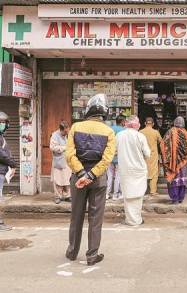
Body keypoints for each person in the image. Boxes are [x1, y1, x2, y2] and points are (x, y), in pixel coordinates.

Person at [65, 93, 116, 266]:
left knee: (76, 216)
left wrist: (81, 175)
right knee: (96, 219)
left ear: (88, 111)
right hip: (98, 179)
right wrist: (91, 176)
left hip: (78, 179)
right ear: (104, 113)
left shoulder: (75, 127)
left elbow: (69, 155)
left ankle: (72, 252)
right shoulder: (109, 131)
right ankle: (92, 255)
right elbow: (107, 159)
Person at [117, 116, 151, 226]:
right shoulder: (140, 136)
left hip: (125, 169)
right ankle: (136, 219)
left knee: (128, 194)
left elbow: (113, 151)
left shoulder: (119, 136)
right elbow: (147, 154)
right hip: (139, 170)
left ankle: (130, 219)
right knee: (138, 195)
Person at [160, 116, 187, 204]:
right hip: (183, 163)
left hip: (171, 162)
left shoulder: (170, 132)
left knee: (174, 178)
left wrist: (168, 157)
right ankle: (181, 197)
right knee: (182, 178)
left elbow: (163, 144)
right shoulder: (186, 134)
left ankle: (174, 198)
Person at [50, 121, 72, 204]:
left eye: (67, 131)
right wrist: (64, 148)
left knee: (67, 179)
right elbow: (52, 147)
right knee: (58, 180)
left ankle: (67, 196)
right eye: (65, 131)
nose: (66, 133)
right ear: (61, 130)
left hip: (67, 161)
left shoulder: (68, 135)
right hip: (58, 160)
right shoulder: (54, 135)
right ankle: (58, 196)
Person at [140, 117, 162, 196]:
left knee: (143, 172)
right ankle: (153, 191)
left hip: (143, 155)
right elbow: (161, 142)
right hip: (153, 155)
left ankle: (143, 190)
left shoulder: (140, 132)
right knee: (154, 173)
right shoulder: (155, 132)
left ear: (145, 123)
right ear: (153, 124)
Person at [106, 115, 125, 200]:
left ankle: (107, 194)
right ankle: (115, 194)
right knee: (118, 176)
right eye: (125, 121)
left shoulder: (110, 129)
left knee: (109, 176)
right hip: (119, 157)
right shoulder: (124, 130)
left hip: (110, 156)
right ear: (122, 122)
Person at [0, 111, 16, 202]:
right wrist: (13, 164)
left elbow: (7, 153)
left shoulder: (1, 137)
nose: (2, 124)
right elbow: (2, 155)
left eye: (3, 122)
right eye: (0, 122)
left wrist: (12, 164)